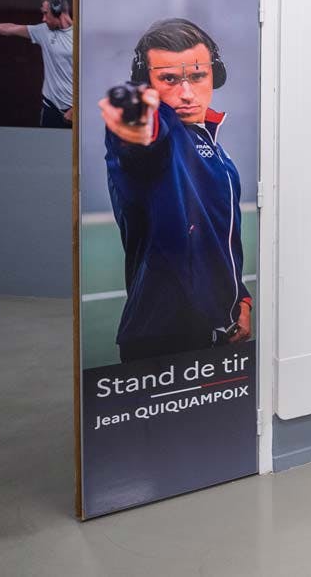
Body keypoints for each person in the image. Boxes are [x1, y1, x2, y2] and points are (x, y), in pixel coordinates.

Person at [96, 18, 252, 362]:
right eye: (168, 79)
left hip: (217, 327)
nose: (185, 92)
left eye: (197, 76)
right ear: (147, 82)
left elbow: (217, 235)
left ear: (214, 76)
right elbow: (141, 137)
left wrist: (240, 299)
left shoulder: (213, 147)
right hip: (164, 335)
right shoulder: (160, 134)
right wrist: (133, 108)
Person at [0, 0, 74, 128]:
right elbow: (10, 28)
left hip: (76, 111)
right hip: (51, 107)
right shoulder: (43, 31)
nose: (43, 18)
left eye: (45, 13)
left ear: (57, 10)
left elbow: (94, 78)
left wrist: (77, 107)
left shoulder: (81, 35)